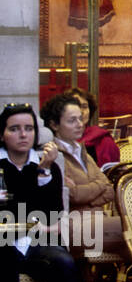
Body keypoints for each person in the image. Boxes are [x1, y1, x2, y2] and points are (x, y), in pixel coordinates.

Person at [0, 103, 76, 282]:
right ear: (2, 134)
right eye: (15, 129)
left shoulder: (46, 166)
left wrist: (43, 172)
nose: (23, 135)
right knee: (9, 278)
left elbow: (52, 213)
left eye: (29, 128)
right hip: (2, 244)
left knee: (64, 264)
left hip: (33, 242)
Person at [39, 93, 125, 260]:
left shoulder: (82, 150)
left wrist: (86, 192)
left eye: (80, 119)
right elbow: (71, 195)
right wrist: (97, 187)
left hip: (101, 221)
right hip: (73, 226)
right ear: (54, 125)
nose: (80, 124)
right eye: (72, 121)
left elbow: (109, 190)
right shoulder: (52, 154)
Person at [65, 87, 119, 168]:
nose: (80, 111)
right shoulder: (58, 140)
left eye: (84, 106)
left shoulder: (102, 139)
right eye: (75, 106)